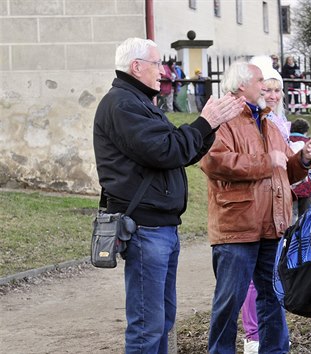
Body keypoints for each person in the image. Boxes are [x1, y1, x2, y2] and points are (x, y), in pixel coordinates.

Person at [93, 37, 243, 353]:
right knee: (147, 326)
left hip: (160, 228)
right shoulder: (122, 104)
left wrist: (208, 127)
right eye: (156, 63)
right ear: (136, 67)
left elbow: (178, 151)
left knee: (161, 320)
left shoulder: (139, 102)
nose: (163, 71)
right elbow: (164, 150)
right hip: (146, 229)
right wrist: (206, 122)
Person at [201, 61, 311, 353]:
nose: (266, 89)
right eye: (260, 82)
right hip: (237, 227)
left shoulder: (267, 121)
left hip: (272, 225)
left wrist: (302, 160)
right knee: (229, 300)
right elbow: (214, 162)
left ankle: (276, 350)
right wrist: (267, 162)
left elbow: (283, 173)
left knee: (274, 295)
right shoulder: (221, 119)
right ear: (242, 85)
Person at [239, 55, 293, 353]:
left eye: (276, 89)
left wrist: (303, 160)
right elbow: (221, 164)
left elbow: (287, 168)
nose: (272, 95)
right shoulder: (249, 122)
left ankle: (273, 338)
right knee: (251, 280)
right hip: (253, 210)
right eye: (266, 88)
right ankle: (252, 335)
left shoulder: (275, 123)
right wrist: (268, 161)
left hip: (278, 208)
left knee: (271, 277)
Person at [289, 118, 311, 217]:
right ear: (306, 130)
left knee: (291, 215)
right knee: (304, 215)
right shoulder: (309, 142)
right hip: (306, 187)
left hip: (290, 187)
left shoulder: (285, 139)